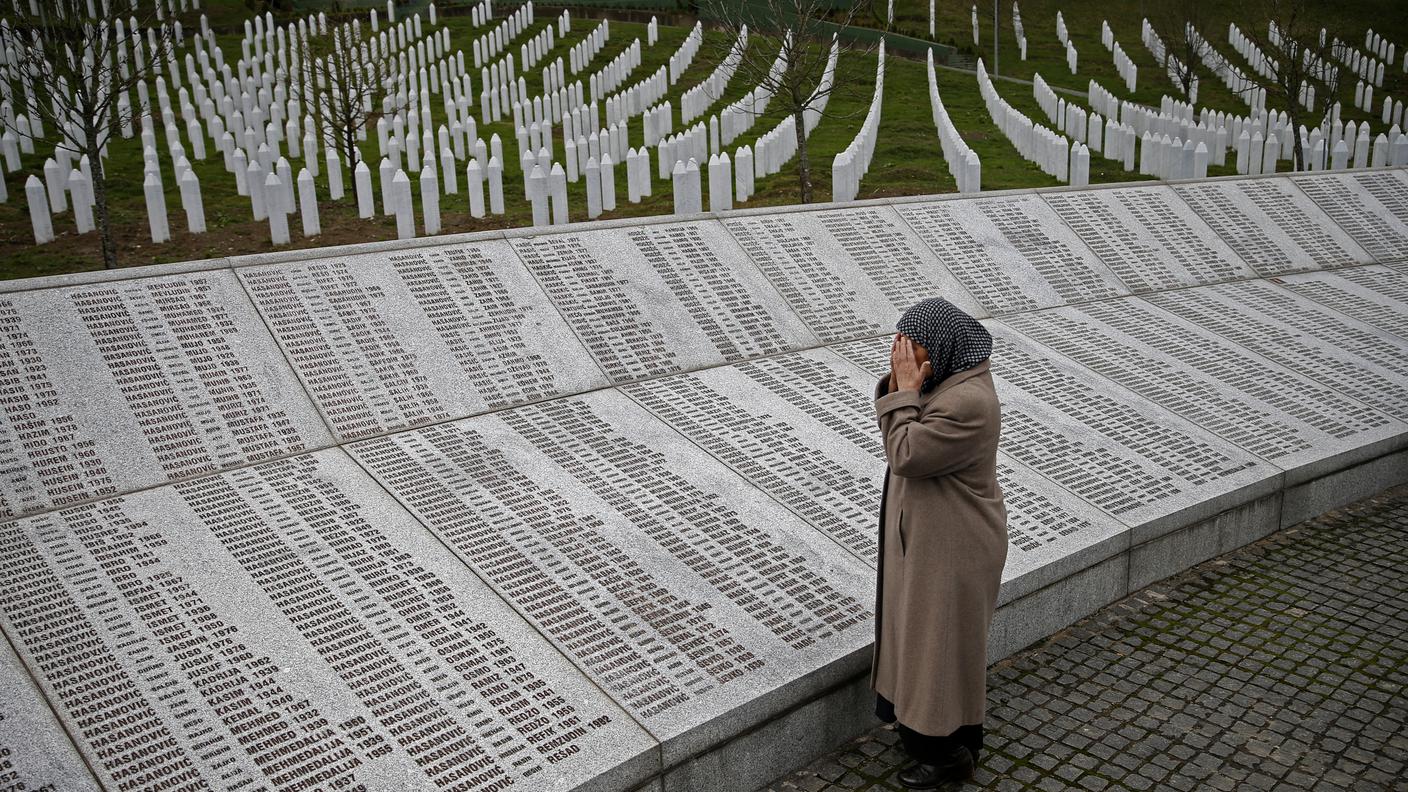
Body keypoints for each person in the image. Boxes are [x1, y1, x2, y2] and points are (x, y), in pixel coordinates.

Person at [871, 297, 1008, 790]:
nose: (904, 358)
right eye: (900, 346)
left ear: (946, 348)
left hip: (955, 547)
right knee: (928, 644)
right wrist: (904, 386)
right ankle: (945, 736)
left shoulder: (967, 402)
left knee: (940, 649)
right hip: (932, 540)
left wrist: (904, 390)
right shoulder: (947, 382)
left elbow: (905, 451)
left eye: (914, 349)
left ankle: (946, 755)